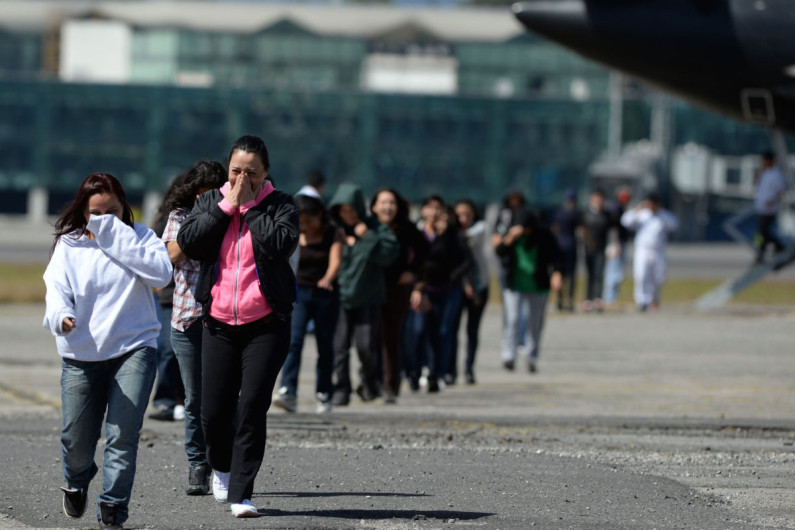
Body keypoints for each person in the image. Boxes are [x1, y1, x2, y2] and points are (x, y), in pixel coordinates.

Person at [177, 135, 299, 518]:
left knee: (251, 407)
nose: (242, 178)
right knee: (213, 412)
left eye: (251, 172)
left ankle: (242, 494)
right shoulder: (210, 201)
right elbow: (190, 243)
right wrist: (227, 207)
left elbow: (282, 244)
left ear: (265, 173)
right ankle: (222, 466)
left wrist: (249, 209)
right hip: (217, 323)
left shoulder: (281, 205)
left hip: (266, 324)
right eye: (236, 171)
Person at [43, 173, 172, 529]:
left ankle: (113, 507)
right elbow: (55, 287)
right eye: (95, 214)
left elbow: (161, 275)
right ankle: (77, 479)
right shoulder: (69, 245)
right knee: (76, 439)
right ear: (83, 213)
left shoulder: (142, 237)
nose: (103, 221)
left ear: (124, 207)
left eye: (111, 212)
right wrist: (61, 315)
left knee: (122, 433)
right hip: (82, 354)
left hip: (134, 348)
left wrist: (115, 236)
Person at [160, 160, 226, 495]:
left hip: (225, 318)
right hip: (186, 318)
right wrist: (206, 221)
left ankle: (223, 463)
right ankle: (197, 464)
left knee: (224, 397)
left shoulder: (235, 217)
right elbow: (171, 254)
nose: (208, 202)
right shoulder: (179, 217)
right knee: (194, 398)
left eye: (214, 197)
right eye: (203, 196)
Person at [328, 182, 399, 405]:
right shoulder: (334, 231)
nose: (347, 215)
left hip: (368, 298)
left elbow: (389, 255)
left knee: (366, 346)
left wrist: (367, 236)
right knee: (339, 348)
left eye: (351, 210)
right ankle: (341, 389)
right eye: (343, 210)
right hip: (340, 299)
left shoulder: (376, 229)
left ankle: (369, 382)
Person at [272, 194, 343, 413]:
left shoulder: (333, 233)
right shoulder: (294, 232)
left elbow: (336, 260)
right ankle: (288, 390)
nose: (305, 226)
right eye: (301, 221)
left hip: (325, 293)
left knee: (325, 344)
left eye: (309, 221)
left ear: (320, 216)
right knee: (294, 342)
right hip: (299, 293)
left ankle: (324, 393)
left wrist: (328, 278)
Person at [370, 187, 428, 403]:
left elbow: (424, 253)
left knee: (390, 337)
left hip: (396, 290)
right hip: (369, 289)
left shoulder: (406, 228)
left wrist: (412, 274)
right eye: (383, 203)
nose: (388, 207)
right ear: (374, 206)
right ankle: (370, 380)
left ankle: (390, 384)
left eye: (392, 203)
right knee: (369, 337)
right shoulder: (368, 226)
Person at [409, 199, 473, 391]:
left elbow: (466, 260)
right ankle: (415, 370)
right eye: (430, 208)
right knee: (418, 331)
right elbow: (416, 261)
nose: (434, 213)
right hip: (422, 291)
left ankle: (436, 374)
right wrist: (417, 288)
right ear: (423, 211)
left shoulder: (452, 235)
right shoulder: (418, 235)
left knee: (440, 333)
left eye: (438, 209)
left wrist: (454, 277)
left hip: (444, 291)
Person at [496, 209, 562, 373]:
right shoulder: (512, 235)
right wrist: (510, 237)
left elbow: (557, 256)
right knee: (512, 319)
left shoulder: (544, 235)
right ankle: (508, 356)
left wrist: (556, 273)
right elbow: (499, 251)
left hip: (538, 285)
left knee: (535, 323)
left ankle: (531, 357)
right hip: (514, 284)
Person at [148, 175, 186, 423]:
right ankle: (164, 400)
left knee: (187, 351)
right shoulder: (164, 220)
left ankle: (183, 399)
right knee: (166, 349)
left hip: (192, 295)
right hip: (167, 294)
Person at [452, 199, 490, 384]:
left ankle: (469, 368)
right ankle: (450, 369)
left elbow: (469, 236)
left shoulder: (480, 228)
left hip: (479, 284)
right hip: (458, 286)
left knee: (472, 330)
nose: (463, 218)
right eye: (459, 215)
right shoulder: (451, 233)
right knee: (451, 329)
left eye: (467, 214)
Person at [621, 191, 678, 311]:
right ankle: (642, 301)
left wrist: (660, 212)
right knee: (641, 275)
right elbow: (625, 221)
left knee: (659, 277)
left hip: (658, 250)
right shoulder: (642, 214)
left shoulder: (663, 215)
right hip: (643, 250)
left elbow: (674, 224)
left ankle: (655, 299)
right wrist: (639, 208)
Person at [580, 188, 613, 312]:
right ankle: (588, 299)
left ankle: (598, 299)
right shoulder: (586, 213)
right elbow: (581, 229)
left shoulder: (606, 214)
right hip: (588, 247)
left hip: (601, 247)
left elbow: (612, 230)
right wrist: (586, 241)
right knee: (589, 274)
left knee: (599, 273)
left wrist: (613, 245)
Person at [753, 151, 787, 264]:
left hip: (770, 209)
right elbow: (755, 183)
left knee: (763, 232)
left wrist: (772, 202)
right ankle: (762, 254)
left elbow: (780, 191)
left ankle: (778, 247)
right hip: (761, 208)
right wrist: (759, 171)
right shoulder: (764, 173)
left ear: (769, 161)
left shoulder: (776, 174)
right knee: (762, 232)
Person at [550, 188, 581, 312]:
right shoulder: (575, 214)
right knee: (571, 275)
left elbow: (554, 229)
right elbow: (580, 230)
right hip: (571, 245)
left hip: (559, 245)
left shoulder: (558, 213)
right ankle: (569, 299)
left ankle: (560, 299)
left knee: (559, 273)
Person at [603, 188, 631, 305]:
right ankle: (609, 297)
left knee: (617, 272)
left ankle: (613, 297)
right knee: (613, 271)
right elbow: (613, 228)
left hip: (619, 242)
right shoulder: (616, 210)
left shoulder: (623, 209)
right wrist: (615, 243)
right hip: (615, 243)